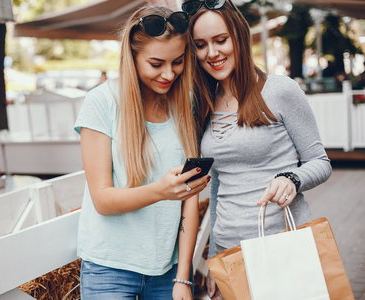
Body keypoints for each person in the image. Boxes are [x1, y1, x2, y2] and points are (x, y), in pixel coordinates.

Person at [182, 0, 332, 299]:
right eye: (200, 45)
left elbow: (321, 161)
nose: (211, 53)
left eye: (220, 40)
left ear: (239, 36)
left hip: (283, 242)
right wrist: (214, 256)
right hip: (229, 250)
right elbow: (218, 183)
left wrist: (292, 179)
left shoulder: (280, 90)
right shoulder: (202, 103)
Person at [74, 5, 211, 300]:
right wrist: (161, 191)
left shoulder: (186, 104)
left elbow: (189, 200)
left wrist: (183, 278)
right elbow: (102, 200)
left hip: (168, 271)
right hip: (108, 268)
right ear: (132, 57)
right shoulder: (102, 102)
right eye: (156, 63)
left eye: (178, 62)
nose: (168, 73)